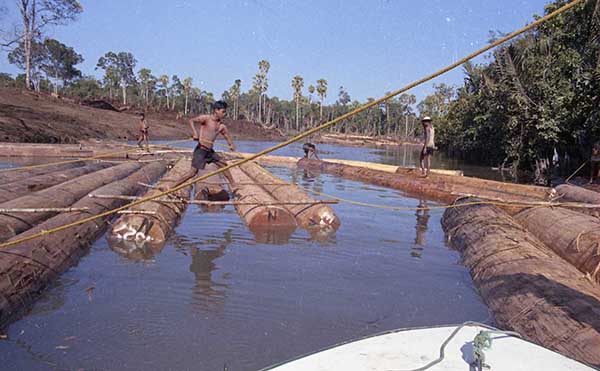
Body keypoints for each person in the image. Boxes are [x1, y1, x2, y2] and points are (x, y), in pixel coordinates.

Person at [175, 101, 236, 188]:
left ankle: (234, 185)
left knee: (223, 164)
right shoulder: (206, 119)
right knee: (192, 172)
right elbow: (191, 121)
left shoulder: (222, 126)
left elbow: (227, 136)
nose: (224, 114)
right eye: (223, 112)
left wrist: (231, 145)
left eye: (225, 112)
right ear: (216, 110)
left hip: (210, 152)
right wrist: (195, 133)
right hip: (200, 150)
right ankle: (171, 187)